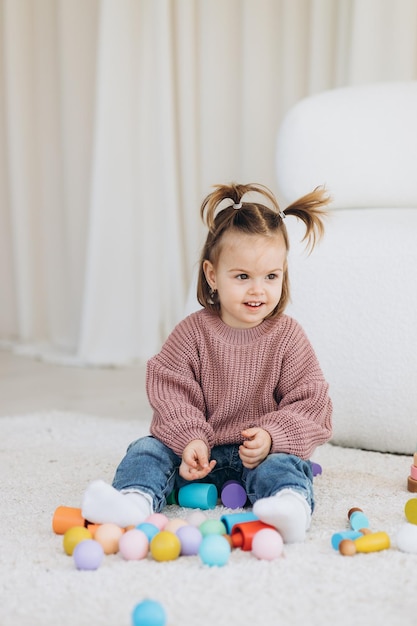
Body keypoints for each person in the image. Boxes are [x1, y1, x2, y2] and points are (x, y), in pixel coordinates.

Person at [82, 182, 333, 543]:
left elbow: (312, 403)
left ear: (283, 274)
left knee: (285, 466)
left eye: (271, 277)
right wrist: (188, 440)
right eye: (242, 276)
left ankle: (289, 505)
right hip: (198, 457)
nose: (258, 290)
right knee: (147, 449)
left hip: (258, 457)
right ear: (213, 275)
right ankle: (132, 501)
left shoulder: (288, 336)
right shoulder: (193, 332)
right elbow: (170, 390)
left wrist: (272, 437)